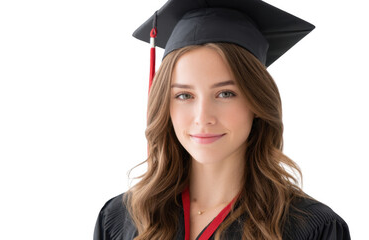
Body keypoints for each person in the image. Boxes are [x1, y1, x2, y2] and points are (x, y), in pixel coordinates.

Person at [94, 0, 350, 239]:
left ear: (257, 102)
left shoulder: (311, 228)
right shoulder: (120, 218)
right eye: (184, 95)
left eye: (225, 93)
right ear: (163, 105)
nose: (203, 117)